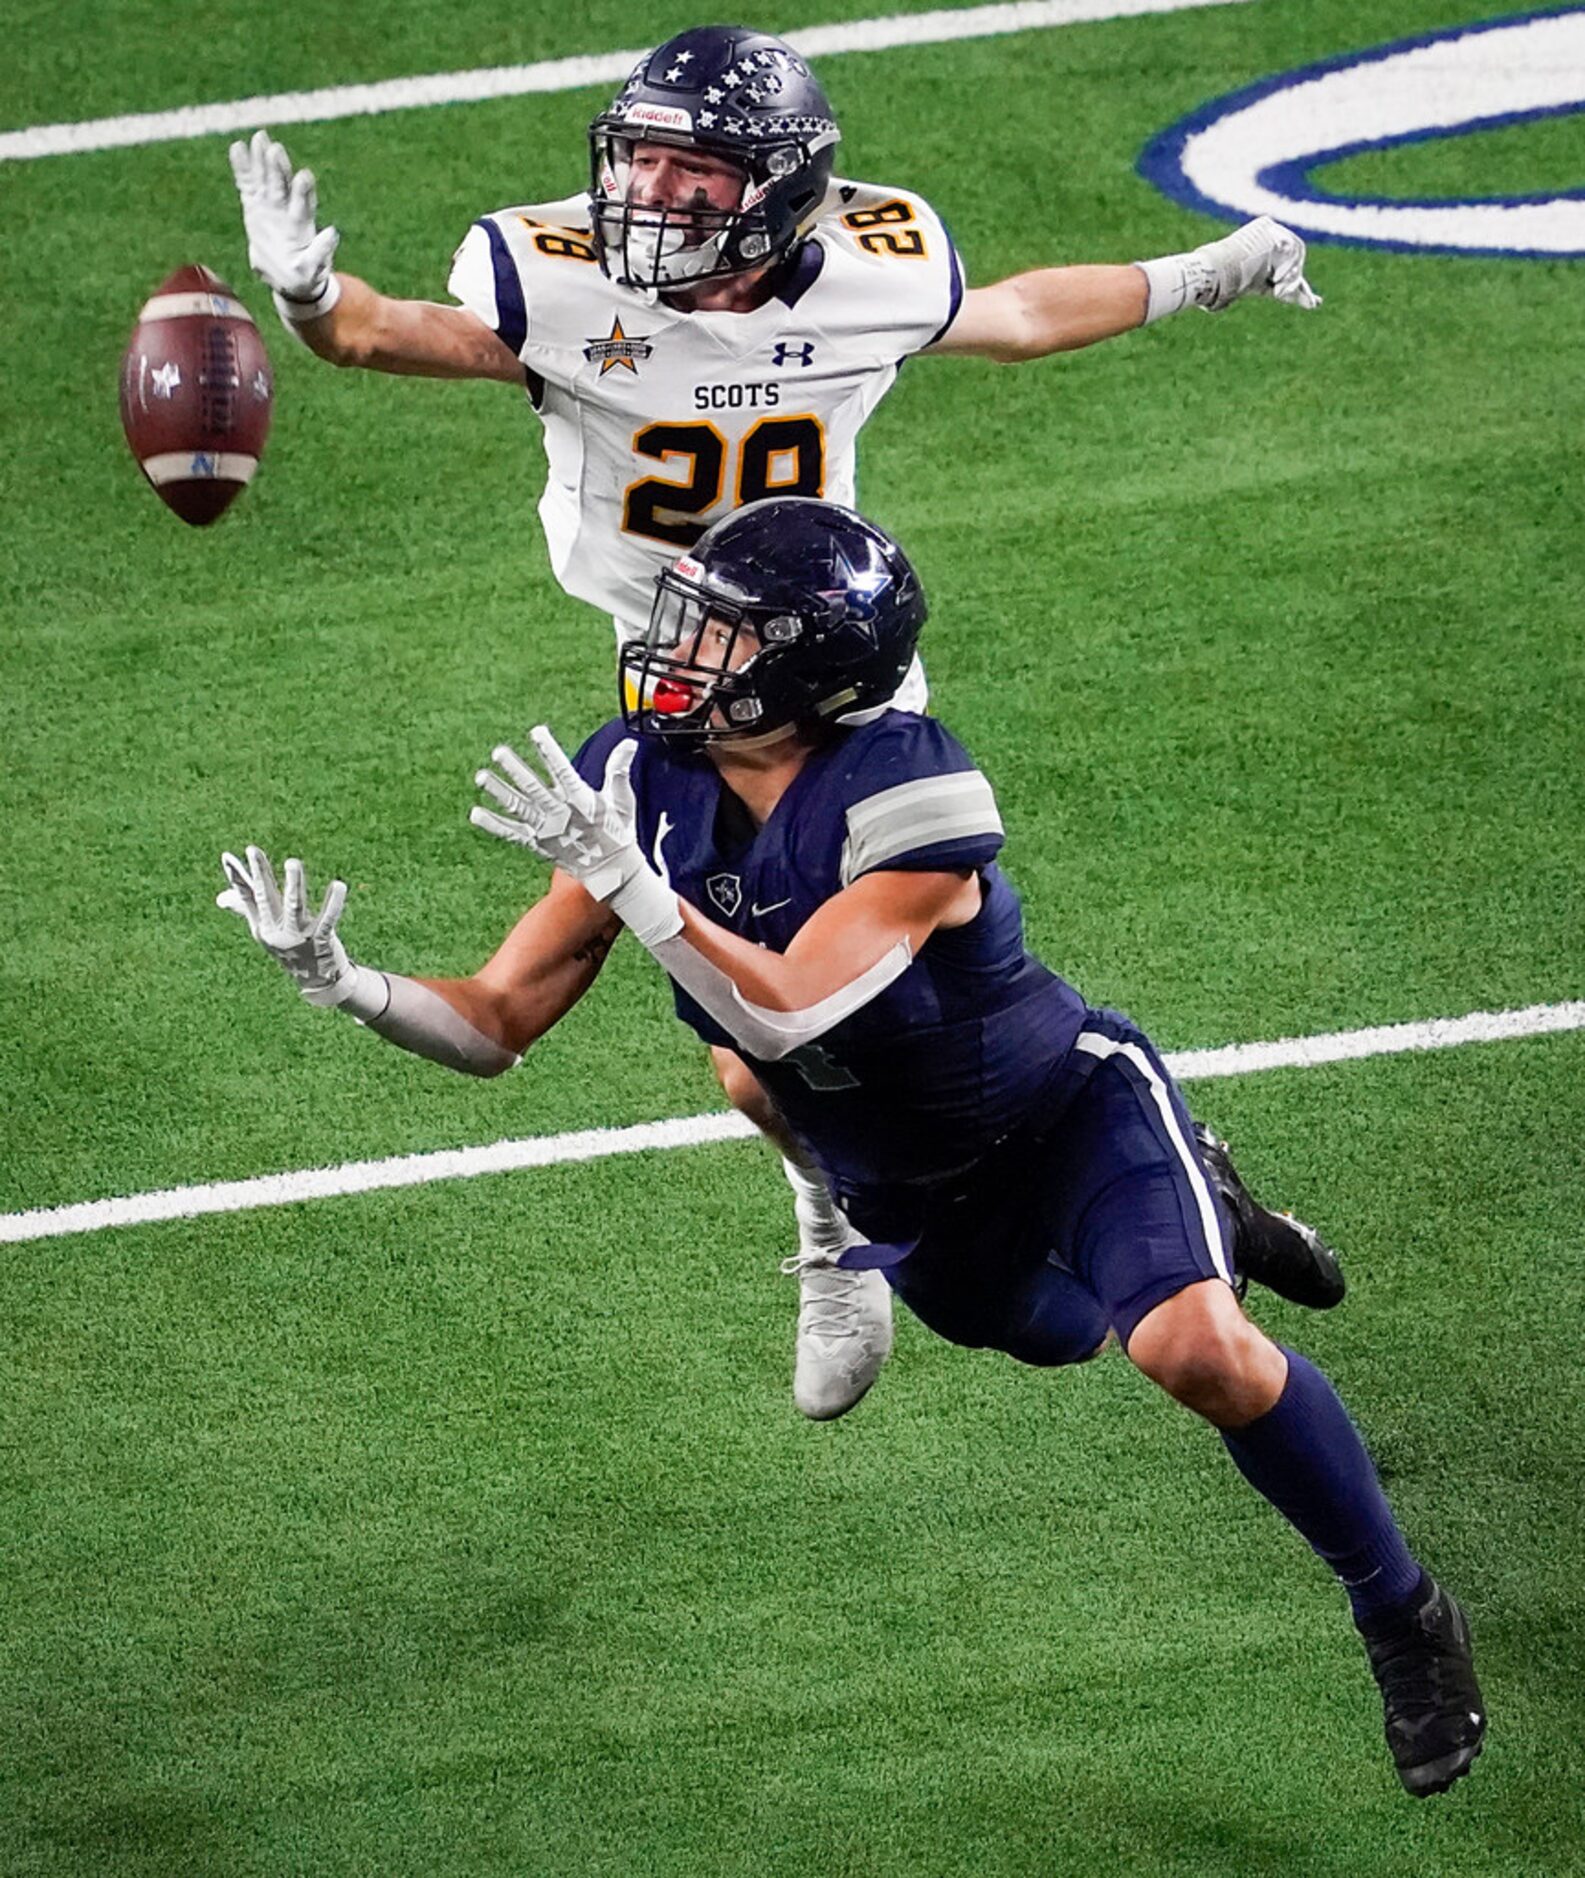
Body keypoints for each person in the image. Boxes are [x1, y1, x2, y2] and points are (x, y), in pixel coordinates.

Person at [216, 496, 1483, 1798]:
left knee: (1192, 1347)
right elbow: (495, 1022)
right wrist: (352, 985)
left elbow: (799, 999)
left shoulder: (909, 785)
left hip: (1059, 1109)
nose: (679, 649)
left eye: (718, 634)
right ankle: (1208, 1204)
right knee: (1065, 1331)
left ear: (807, 668)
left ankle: (1399, 1611)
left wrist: (634, 888)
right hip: (909, 1193)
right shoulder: (637, 781)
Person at [228, 23, 1323, 1420]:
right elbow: (387, 335)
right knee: (763, 1061)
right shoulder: (558, 287)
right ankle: (877, 1211)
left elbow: (1023, 315)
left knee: (851, 1032)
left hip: (834, 689)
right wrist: (312, 296)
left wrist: (1206, 272)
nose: (650, 200)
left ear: (780, 190)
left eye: (693, 175)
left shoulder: (871, 269)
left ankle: (1117, 1199)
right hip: (679, 691)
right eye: (640, 164)